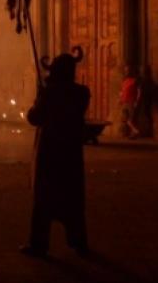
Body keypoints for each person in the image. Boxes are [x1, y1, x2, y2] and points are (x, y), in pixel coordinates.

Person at [21, 47, 90, 258]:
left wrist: (39, 98)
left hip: (50, 151)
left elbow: (34, 118)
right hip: (70, 150)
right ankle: (78, 241)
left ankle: (39, 244)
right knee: (72, 197)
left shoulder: (50, 92)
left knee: (44, 198)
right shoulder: (82, 92)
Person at [119, 65, 141, 138]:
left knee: (131, 119)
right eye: (126, 70)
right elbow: (122, 91)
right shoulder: (124, 80)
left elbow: (139, 91)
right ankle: (133, 132)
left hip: (131, 101)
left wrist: (137, 101)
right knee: (125, 118)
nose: (127, 72)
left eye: (128, 70)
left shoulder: (135, 80)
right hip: (124, 101)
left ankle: (135, 131)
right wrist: (120, 99)